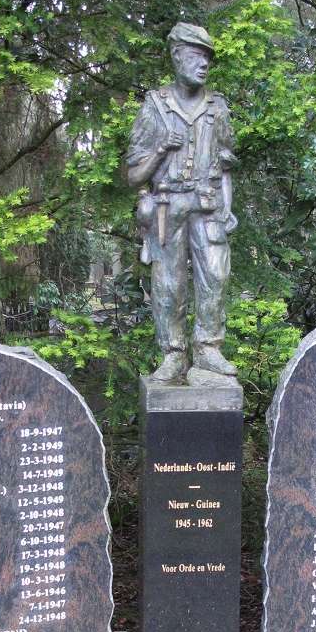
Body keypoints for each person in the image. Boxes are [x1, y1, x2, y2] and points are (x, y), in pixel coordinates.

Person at [126, 22, 238, 385]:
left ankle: (208, 349)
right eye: (196, 55)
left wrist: (227, 210)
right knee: (168, 285)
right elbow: (133, 176)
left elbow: (225, 165)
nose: (203, 63)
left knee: (215, 276)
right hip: (166, 210)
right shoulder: (154, 107)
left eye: (207, 57)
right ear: (177, 57)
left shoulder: (216, 108)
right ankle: (173, 354)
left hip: (207, 207)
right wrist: (162, 149)